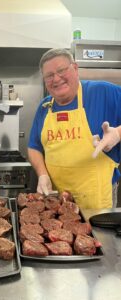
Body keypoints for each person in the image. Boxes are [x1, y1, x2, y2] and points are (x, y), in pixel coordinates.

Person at [28, 48, 121, 209]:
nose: (56, 79)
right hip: (58, 203)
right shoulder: (44, 107)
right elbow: (34, 147)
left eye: (62, 70)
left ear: (75, 68)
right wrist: (42, 174)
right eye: (49, 76)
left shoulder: (103, 92)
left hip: (96, 202)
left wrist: (118, 133)